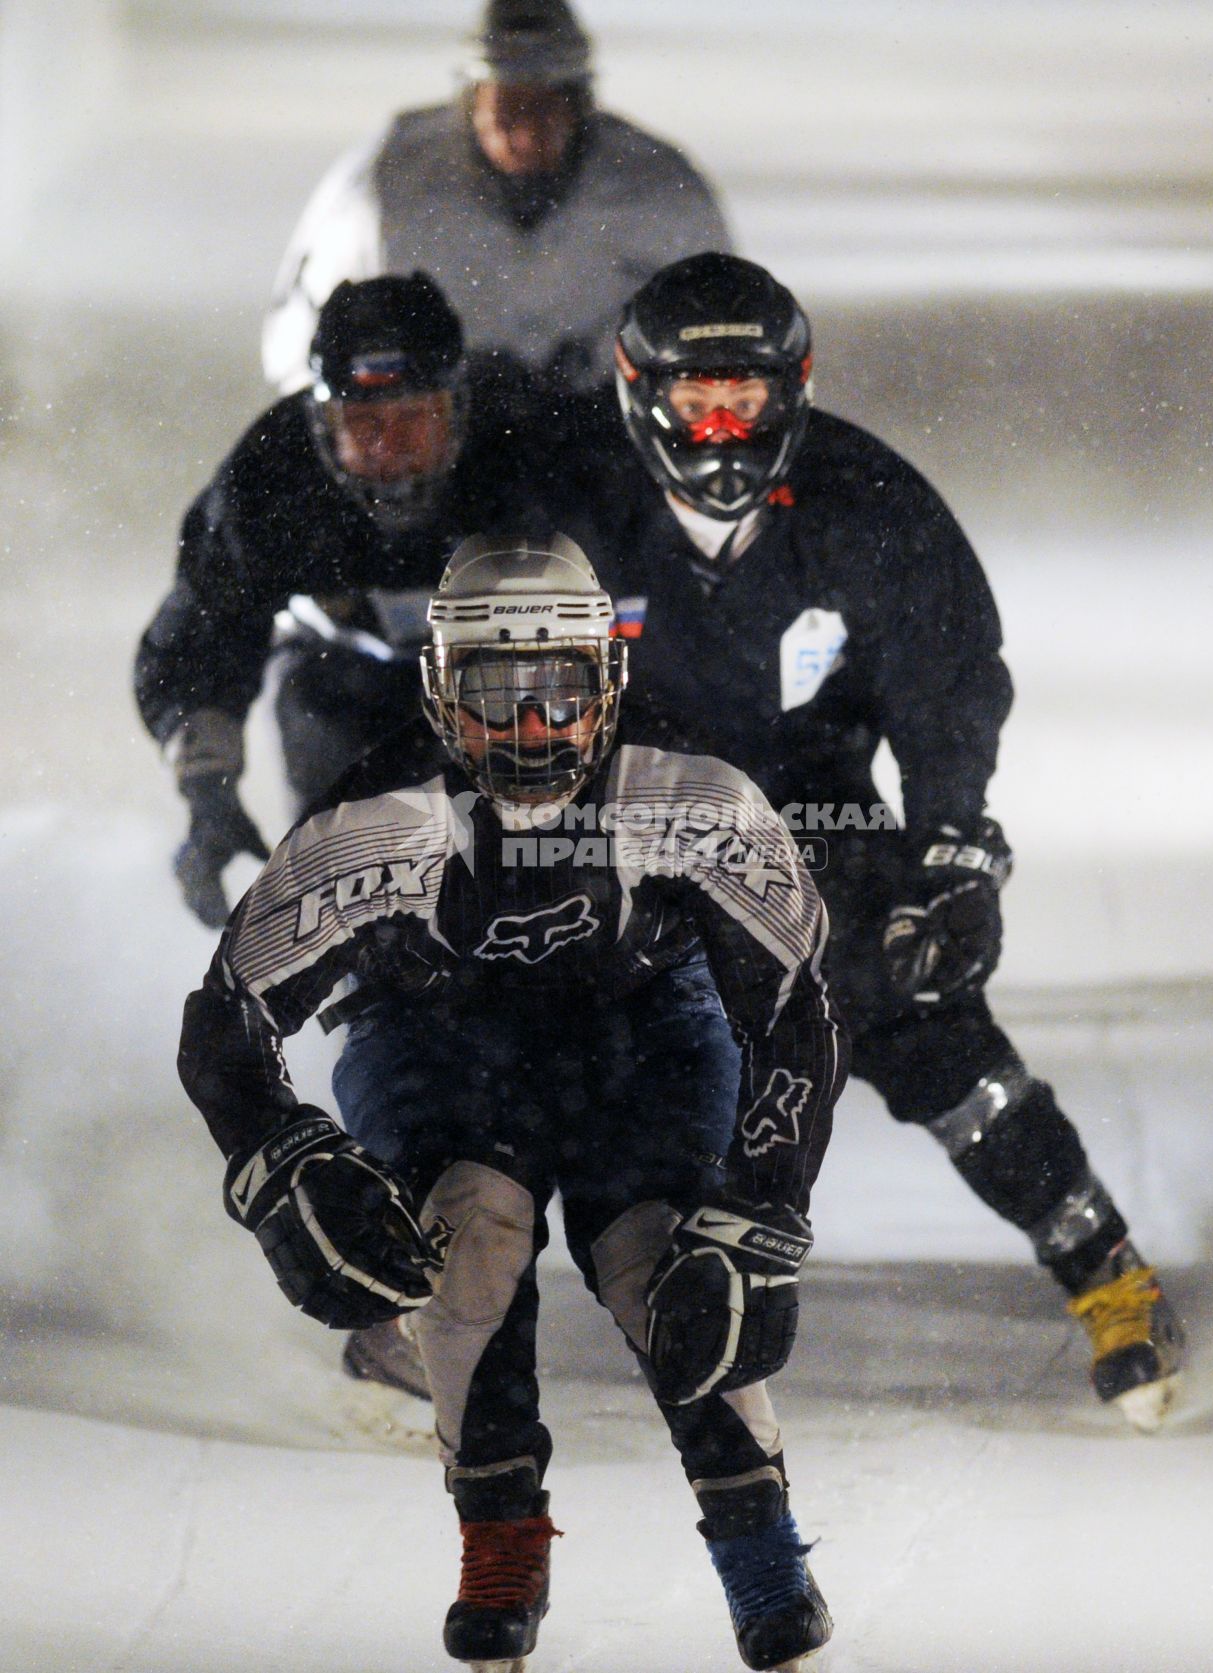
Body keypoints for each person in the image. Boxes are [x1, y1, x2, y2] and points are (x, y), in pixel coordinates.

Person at [539, 251, 1185, 1433]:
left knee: (916, 1003)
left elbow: (945, 691)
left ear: (795, 392)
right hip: (613, 816)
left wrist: (949, 856)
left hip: (816, 806)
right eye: (698, 400)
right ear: (639, 394)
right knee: (513, 1027)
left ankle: (1107, 1268)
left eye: (749, 396)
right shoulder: (565, 499)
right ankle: (432, 1302)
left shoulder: (868, 503)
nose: (724, 428)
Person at [176, 535, 845, 1672]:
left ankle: (761, 1548)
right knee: (466, 1240)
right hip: (432, 1031)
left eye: (559, 692)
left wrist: (758, 1211)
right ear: (441, 689)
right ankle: (498, 1536)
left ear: (607, 684)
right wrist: (281, 1159)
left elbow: (795, 1010)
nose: (533, 728)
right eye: (497, 694)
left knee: (669, 1256)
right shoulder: (375, 820)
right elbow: (224, 1021)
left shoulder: (692, 798)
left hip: (644, 1028)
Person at [135, 271, 526, 933]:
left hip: (522, 688)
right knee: (358, 894)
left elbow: (651, 601)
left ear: (459, 410)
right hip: (339, 685)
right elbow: (201, 636)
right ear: (320, 424)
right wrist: (209, 795)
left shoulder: (531, 444)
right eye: (363, 423)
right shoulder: (272, 476)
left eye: (413, 420)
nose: (388, 449)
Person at [261, 0, 731, 402]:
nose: (525, 132)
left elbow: (728, 334)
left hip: (614, 436)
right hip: (427, 439)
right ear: (470, 105)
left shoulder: (660, 191)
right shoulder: (382, 187)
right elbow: (303, 338)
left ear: (579, 106)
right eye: (507, 109)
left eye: (544, 108)